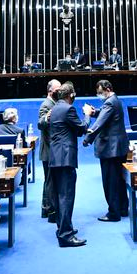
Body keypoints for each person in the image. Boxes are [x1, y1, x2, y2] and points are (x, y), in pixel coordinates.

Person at [48, 82, 88, 247]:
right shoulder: (69, 109)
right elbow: (82, 128)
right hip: (65, 158)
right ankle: (65, 236)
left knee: (58, 196)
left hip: (55, 157)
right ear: (71, 95)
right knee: (66, 196)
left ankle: (63, 228)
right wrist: (87, 115)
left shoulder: (55, 108)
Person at [83, 79, 129, 222]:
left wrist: (87, 139)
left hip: (110, 149)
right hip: (119, 147)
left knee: (110, 182)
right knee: (119, 180)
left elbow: (99, 124)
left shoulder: (109, 102)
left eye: (101, 92)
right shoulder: (116, 100)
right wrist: (94, 112)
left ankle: (113, 213)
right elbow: (105, 114)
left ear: (108, 89)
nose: (99, 95)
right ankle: (122, 208)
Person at [38, 79, 60, 222]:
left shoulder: (54, 103)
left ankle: (47, 208)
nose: (60, 91)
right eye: (57, 89)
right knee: (50, 181)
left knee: (50, 180)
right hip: (49, 149)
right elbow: (42, 123)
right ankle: (49, 209)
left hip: (51, 149)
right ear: (50, 90)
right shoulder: (46, 105)